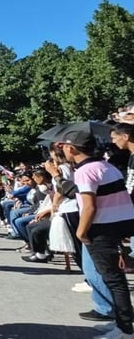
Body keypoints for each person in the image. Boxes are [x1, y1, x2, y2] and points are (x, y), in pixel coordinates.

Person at [56, 128, 134, 339]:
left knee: (114, 280)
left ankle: (125, 329)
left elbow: (89, 207)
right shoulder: (107, 166)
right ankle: (121, 322)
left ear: (71, 149)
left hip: (101, 228)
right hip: (120, 225)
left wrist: (81, 232)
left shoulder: (84, 172)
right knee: (116, 279)